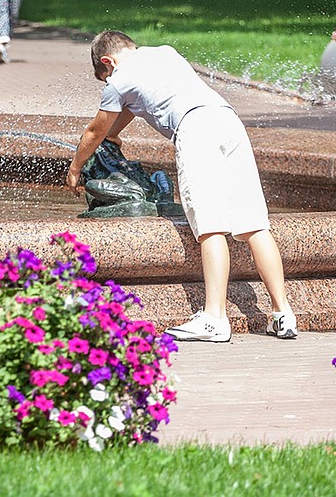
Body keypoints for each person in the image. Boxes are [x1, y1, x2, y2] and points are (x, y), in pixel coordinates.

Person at [66, 30, 297, 343]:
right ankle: (283, 314)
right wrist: (113, 135)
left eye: (104, 77)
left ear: (107, 61)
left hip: (195, 128)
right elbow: (122, 119)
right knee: (255, 223)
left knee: (210, 225)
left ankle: (214, 318)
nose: (108, 84)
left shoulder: (119, 80)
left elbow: (95, 131)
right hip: (227, 120)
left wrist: (76, 167)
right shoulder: (165, 53)